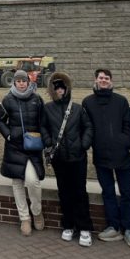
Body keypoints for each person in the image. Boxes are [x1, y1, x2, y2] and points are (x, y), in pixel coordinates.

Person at [82, 68, 130, 249]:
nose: (104, 80)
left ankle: (129, 228)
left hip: (121, 154)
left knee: (126, 192)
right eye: (101, 78)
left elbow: (127, 125)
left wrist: (123, 141)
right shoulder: (88, 102)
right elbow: (87, 127)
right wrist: (93, 144)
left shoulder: (121, 101)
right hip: (101, 154)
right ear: (96, 80)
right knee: (107, 192)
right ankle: (113, 225)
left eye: (106, 78)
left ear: (111, 80)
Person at [42, 71, 94, 246]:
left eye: (62, 88)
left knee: (79, 191)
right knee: (64, 192)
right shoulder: (48, 108)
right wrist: (48, 142)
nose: (60, 91)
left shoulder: (78, 109)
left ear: (67, 89)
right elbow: (43, 128)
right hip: (59, 157)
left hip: (77, 157)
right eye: (56, 88)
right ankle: (68, 224)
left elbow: (88, 127)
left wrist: (83, 144)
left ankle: (84, 227)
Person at [0, 69, 45, 236]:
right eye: (18, 81)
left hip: (33, 146)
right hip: (15, 146)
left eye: (24, 80)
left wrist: (43, 138)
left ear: (28, 81)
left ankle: (36, 212)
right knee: (17, 183)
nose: (22, 83)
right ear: (14, 82)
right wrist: (9, 135)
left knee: (33, 182)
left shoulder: (37, 99)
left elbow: (43, 121)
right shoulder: (8, 100)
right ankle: (24, 218)